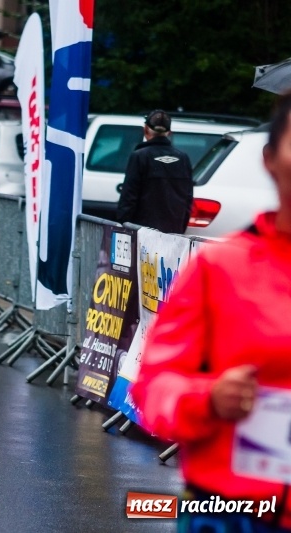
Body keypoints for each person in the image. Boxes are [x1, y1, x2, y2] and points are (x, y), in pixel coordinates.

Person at [131, 93, 291, 532]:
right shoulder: (220, 268)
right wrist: (209, 398)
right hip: (232, 513)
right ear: (270, 160)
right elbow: (153, 387)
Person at [116, 109, 193, 233]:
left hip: (143, 233)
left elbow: (129, 198)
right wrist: (180, 229)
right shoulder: (183, 158)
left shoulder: (139, 156)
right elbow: (188, 200)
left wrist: (123, 226)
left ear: (145, 129)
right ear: (169, 133)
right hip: (173, 233)